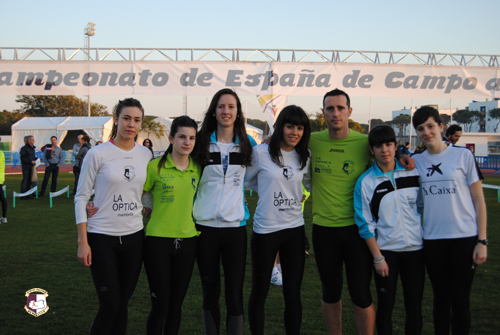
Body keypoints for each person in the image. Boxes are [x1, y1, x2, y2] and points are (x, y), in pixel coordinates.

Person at [75, 98, 153, 335]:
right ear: (116, 119)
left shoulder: (146, 154)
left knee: (122, 304)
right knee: (110, 305)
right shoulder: (98, 153)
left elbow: (146, 193)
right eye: (126, 118)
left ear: (141, 124)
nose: (131, 124)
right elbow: (81, 197)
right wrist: (82, 242)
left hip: (134, 238)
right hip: (101, 237)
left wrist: (153, 206)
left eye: (136, 120)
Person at [412, 106, 487, 335]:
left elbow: (479, 201)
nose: (426, 132)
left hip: (464, 239)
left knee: (460, 298)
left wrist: (482, 241)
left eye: (431, 126)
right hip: (433, 240)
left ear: (441, 127)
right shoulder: (416, 161)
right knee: (440, 298)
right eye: (421, 128)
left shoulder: (463, 155)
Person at [192, 88, 256, 335]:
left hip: (234, 230)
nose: (226, 111)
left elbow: (254, 178)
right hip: (204, 229)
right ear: (214, 110)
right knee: (210, 291)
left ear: (238, 111)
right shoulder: (200, 140)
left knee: (234, 293)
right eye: (221, 106)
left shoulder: (248, 143)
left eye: (231, 106)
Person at [246, 105, 311, 335]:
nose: (295, 132)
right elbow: (246, 180)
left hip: (294, 230)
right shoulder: (261, 153)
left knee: (292, 293)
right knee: (260, 291)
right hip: (266, 231)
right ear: (280, 126)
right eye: (290, 125)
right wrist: (267, 189)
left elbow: (310, 184)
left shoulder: (305, 156)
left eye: (300, 127)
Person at [354, 125, 424, 335]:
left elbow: (424, 207)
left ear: (396, 146)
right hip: (387, 254)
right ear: (371, 150)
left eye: (389, 144)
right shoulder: (365, 182)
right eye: (379, 146)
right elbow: (365, 224)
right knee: (386, 307)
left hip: (416, 251)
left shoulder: (414, 171)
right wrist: (378, 258)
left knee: (414, 307)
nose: (384, 150)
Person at [143, 116, 201, 335]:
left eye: (192, 138)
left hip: (188, 241)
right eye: (182, 137)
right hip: (157, 241)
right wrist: (146, 206)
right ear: (171, 138)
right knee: (160, 306)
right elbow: (136, 193)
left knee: (176, 306)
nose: (187, 142)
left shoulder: (198, 168)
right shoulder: (153, 167)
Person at [20, 135, 36, 200]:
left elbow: (32, 157)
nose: (34, 141)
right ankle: (23, 195)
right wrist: (30, 161)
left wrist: (36, 159)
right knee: (25, 181)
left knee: (30, 181)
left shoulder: (32, 148)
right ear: (29, 141)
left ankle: (28, 195)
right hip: (26, 167)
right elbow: (23, 158)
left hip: (31, 167)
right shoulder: (24, 148)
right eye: (32, 140)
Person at [0, 148, 7, 223]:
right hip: (0, 178)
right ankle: (4, 217)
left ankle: (4, 217)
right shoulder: (1, 153)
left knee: (2, 198)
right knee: (2, 197)